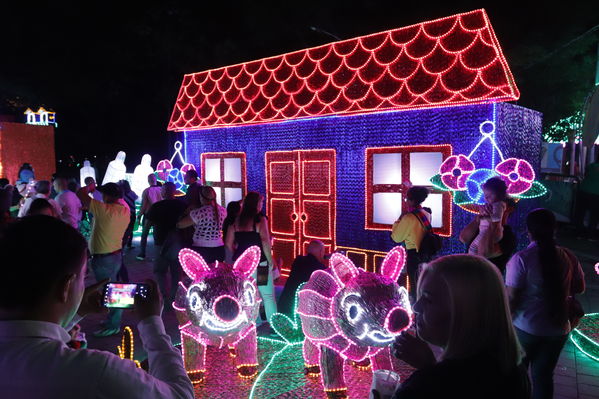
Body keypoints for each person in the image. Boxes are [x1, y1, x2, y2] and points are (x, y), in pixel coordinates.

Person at [0, 215, 194, 399]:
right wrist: (152, 324)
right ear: (66, 286)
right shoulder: (95, 371)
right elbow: (180, 395)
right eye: (84, 277)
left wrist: (75, 313)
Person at [384, 255, 529, 399]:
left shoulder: (421, 388)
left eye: (428, 299)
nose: (416, 307)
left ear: (465, 312)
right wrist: (430, 366)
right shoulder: (515, 371)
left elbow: (448, 386)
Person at [506, 208, 585, 399]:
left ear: (528, 231)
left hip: (525, 327)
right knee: (543, 378)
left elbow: (511, 299)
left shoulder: (521, 259)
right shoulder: (568, 256)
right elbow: (580, 287)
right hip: (559, 329)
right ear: (554, 229)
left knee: (516, 378)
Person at [77, 181, 130, 337]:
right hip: (114, 255)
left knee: (111, 291)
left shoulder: (103, 209)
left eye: (104, 193)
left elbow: (80, 193)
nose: (102, 196)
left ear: (108, 195)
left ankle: (114, 325)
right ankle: (112, 321)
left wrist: (90, 187)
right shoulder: (124, 210)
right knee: (113, 289)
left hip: (104, 258)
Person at [225, 191, 277, 323]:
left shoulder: (236, 221)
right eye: (261, 202)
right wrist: (270, 261)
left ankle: (255, 324)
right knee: (268, 296)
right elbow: (265, 241)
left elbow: (228, 243)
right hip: (260, 263)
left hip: (243, 266)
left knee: (250, 295)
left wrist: (238, 254)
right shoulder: (260, 219)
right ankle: (274, 327)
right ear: (257, 203)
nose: (262, 205)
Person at [460, 177, 515, 273]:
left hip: (488, 281)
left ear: (508, 209)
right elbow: (463, 238)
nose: (493, 207)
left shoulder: (508, 235)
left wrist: (490, 222)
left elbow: (485, 253)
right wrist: (478, 219)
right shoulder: (481, 225)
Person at [146, 182, 187, 308]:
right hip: (178, 242)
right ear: (174, 192)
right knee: (176, 272)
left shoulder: (157, 206)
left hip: (160, 242)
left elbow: (148, 224)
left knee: (159, 271)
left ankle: (164, 296)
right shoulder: (182, 205)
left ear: (163, 192)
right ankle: (174, 297)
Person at [391, 186, 432, 302]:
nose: (406, 201)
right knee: (422, 284)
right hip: (426, 253)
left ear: (412, 200)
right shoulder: (426, 213)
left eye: (407, 199)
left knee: (414, 286)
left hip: (414, 254)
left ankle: (417, 312)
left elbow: (396, 238)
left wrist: (398, 221)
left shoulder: (409, 217)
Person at [176, 186, 226, 263]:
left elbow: (180, 225)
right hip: (219, 248)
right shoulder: (223, 211)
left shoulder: (199, 212)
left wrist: (187, 212)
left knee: (202, 274)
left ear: (201, 197)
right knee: (216, 274)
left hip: (202, 249)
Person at [278, 240, 327, 316]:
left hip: (284, 306)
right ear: (321, 252)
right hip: (300, 312)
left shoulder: (298, 260)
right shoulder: (320, 269)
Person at [137, 174, 163, 260]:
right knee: (157, 235)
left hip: (149, 215)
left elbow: (143, 206)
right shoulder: (161, 189)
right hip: (159, 216)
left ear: (148, 180)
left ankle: (142, 254)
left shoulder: (146, 191)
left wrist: (139, 215)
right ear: (156, 179)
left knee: (144, 235)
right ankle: (158, 255)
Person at [573, 157, 599, 240]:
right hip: (596, 193)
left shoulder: (590, 166)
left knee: (580, 213)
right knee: (594, 215)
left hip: (583, 190)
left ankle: (579, 234)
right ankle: (590, 235)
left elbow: (585, 175)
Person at [119, 179, 138, 249]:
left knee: (123, 229)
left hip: (123, 214)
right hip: (132, 213)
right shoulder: (132, 193)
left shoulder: (120, 194)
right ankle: (129, 244)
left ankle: (121, 245)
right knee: (130, 229)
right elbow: (136, 198)